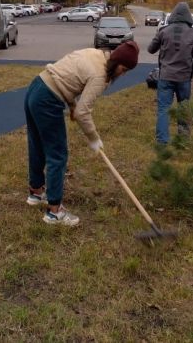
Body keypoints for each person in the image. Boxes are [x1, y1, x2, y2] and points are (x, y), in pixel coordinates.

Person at [24, 40, 140, 226]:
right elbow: (83, 113)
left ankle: (36, 193)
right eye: (124, 69)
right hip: (47, 100)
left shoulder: (94, 54)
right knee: (58, 155)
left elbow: (68, 77)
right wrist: (94, 138)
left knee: (37, 144)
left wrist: (71, 104)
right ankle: (54, 212)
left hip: (36, 87)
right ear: (116, 61)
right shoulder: (100, 75)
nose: (123, 74)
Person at [147, 2, 193, 145]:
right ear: (188, 17)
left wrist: (159, 38)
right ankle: (183, 140)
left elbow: (150, 49)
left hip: (165, 76)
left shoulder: (163, 31)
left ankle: (162, 142)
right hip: (184, 78)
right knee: (183, 108)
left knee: (163, 109)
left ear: (173, 15)